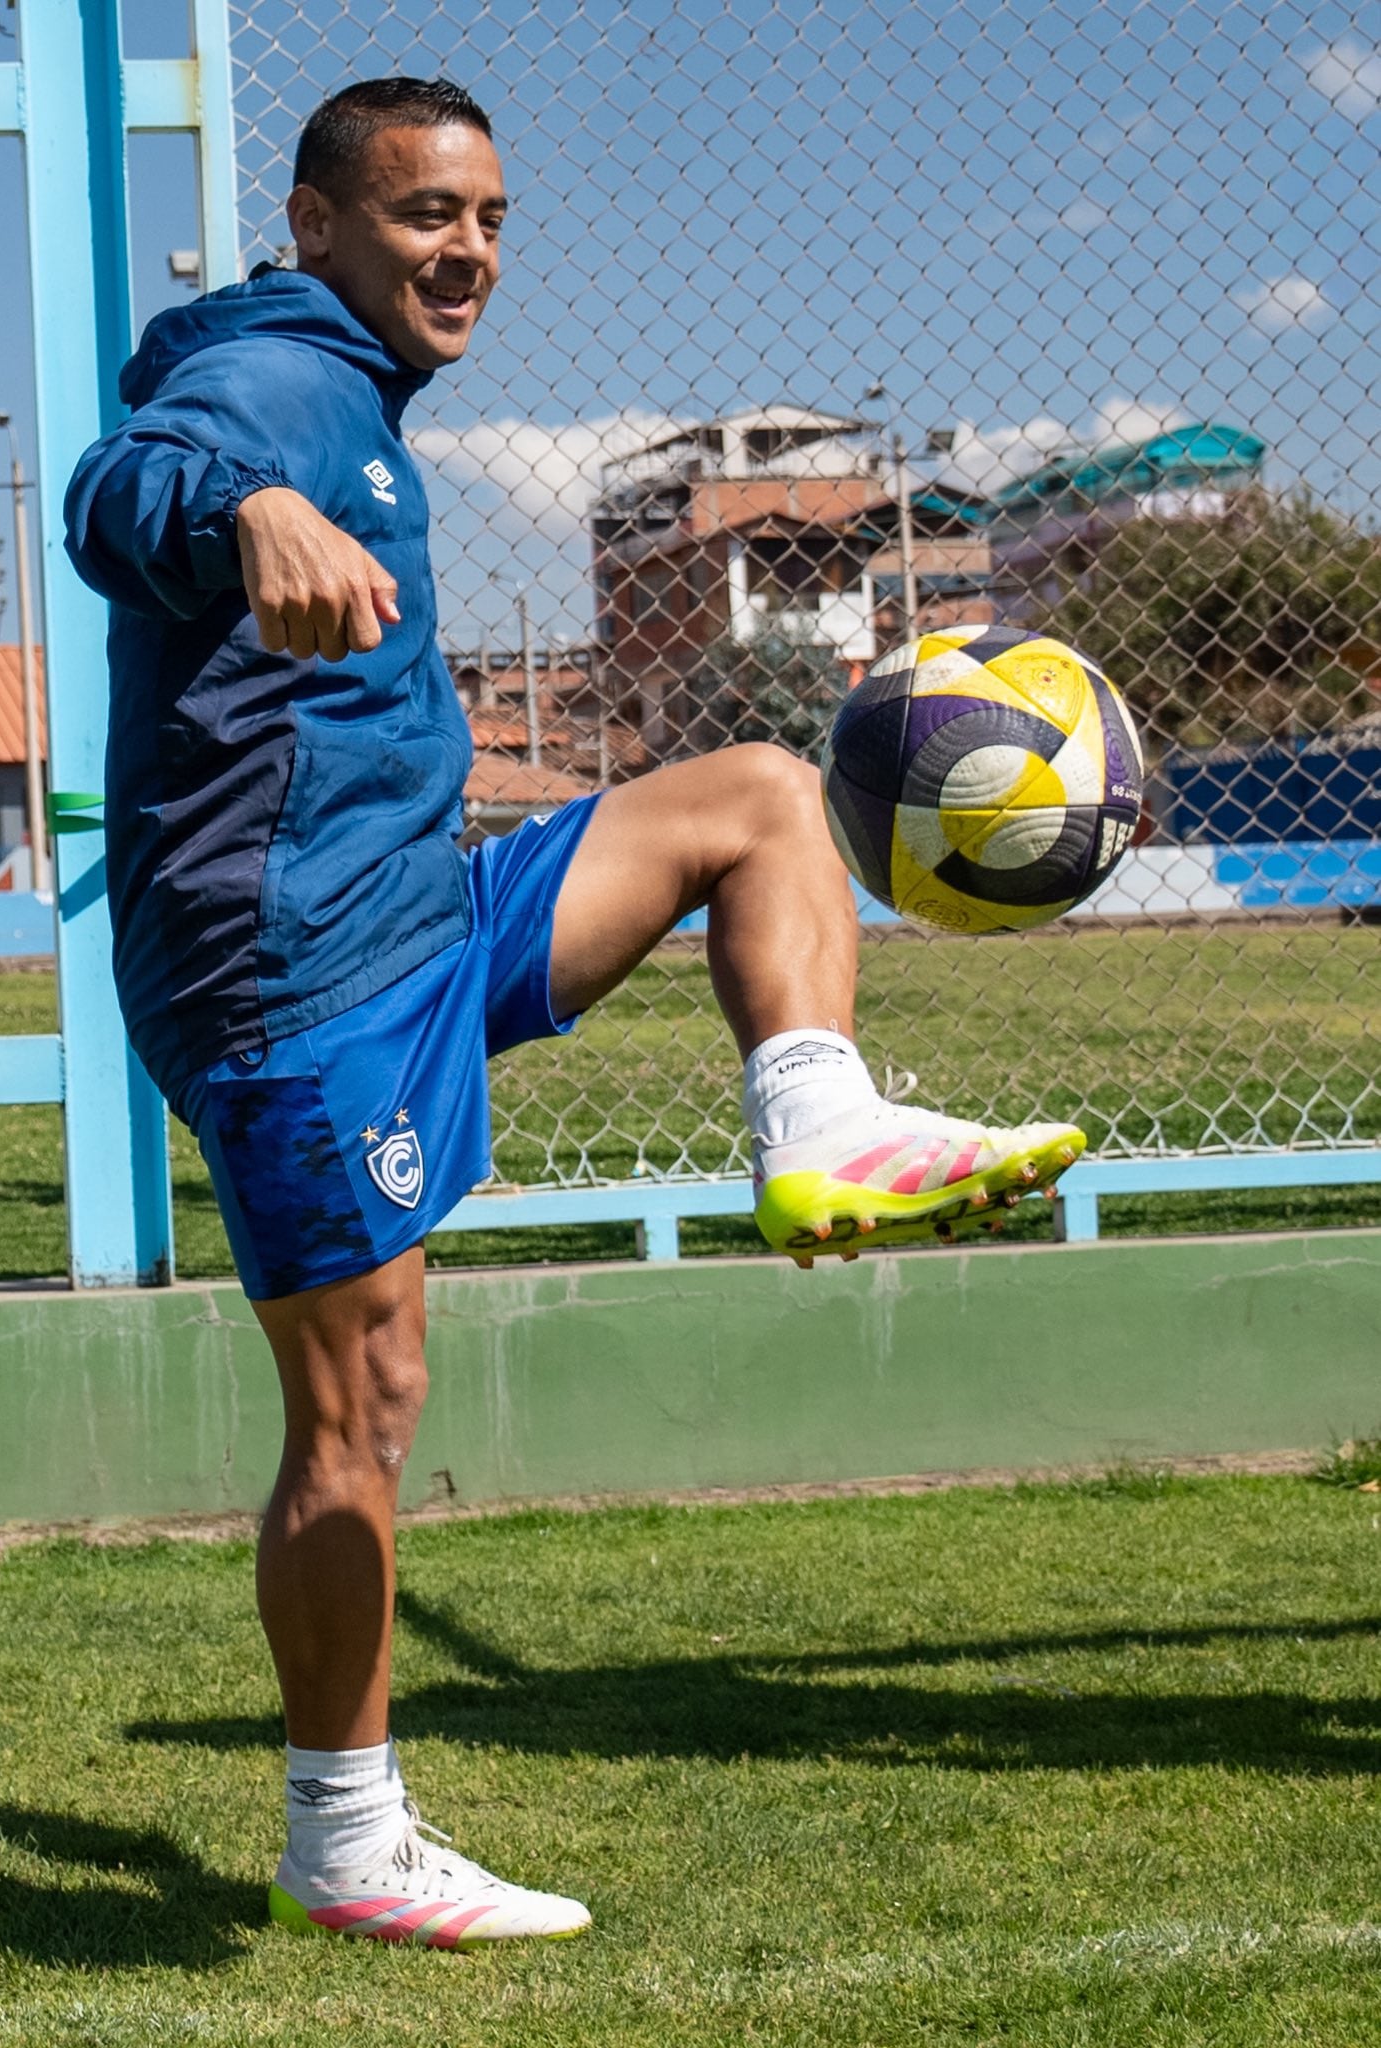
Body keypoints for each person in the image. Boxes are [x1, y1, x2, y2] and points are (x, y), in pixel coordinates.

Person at [65, 76, 1083, 1951]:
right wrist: (250, 506)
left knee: (762, 796)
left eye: (490, 218)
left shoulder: (363, 399)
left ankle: (817, 1122)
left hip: (417, 909)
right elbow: (117, 487)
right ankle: (346, 1834)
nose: (466, 251)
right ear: (313, 228)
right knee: (363, 1409)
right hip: (288, 973)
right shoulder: (276, 380)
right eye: (421, 215)